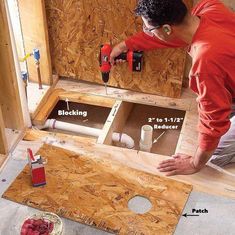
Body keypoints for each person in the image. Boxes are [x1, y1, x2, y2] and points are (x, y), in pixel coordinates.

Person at [110, 0, 235, 176]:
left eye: (149, 29)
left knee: (213, 157)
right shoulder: (209, 8)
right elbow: (175, 38)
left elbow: (214, 122)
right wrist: (125, 45)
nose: (148, 33)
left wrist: (194, 163)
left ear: (167, 29)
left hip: (218, 76)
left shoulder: (205, 64)